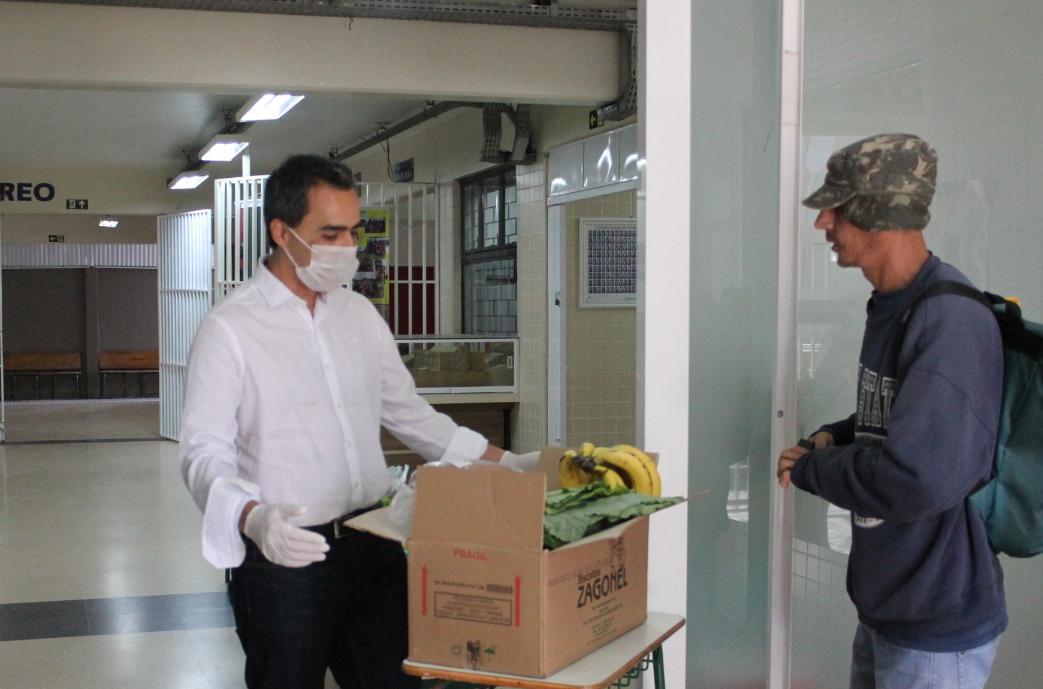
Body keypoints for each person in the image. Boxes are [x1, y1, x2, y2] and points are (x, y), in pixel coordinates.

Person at [179, 154, 537, 689]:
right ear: (282, 232)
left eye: (352, 231)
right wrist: (252, 518)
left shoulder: (358, 315)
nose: (346, 247)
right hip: (286, 560)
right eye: (330, 233)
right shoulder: (230, 329)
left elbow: (411, 416)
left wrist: (506, 463)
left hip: (375, 543)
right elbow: (202, 453)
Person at [776, 134, 1006, 689]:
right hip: (892, 609)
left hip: (934, 625)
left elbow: (917, 477)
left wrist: (812, 470)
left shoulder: (949, 318)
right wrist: (836, 435)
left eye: (836, 208)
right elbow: (898, 419)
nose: (822, 223)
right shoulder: (894, 305)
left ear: (878, 214)